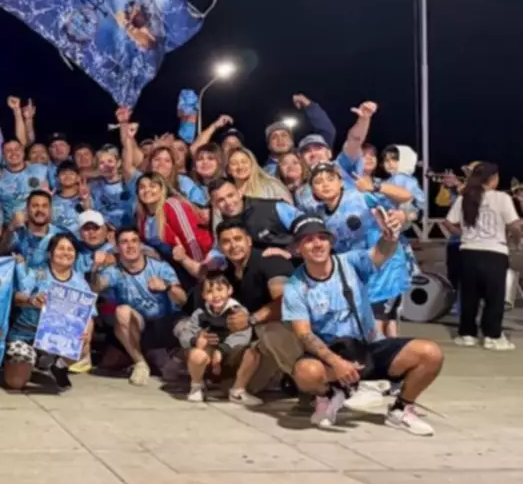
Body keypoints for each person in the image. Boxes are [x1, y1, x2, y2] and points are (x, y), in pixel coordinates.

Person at [283, 213, 442, 435]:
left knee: (430, 353)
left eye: (322, 238)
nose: (317, 244)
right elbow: (304, 334)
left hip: (368, 347)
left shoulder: (350, 262)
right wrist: (336, 363)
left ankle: (401, 408)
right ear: (297, 249)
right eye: (308, 240)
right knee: (305, 372)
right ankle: (328, 395)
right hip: (330, 354)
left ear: (331, 242)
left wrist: (389, 237)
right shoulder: (294, 286)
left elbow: (379, 253)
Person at [210, 219, 301, 399]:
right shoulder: (226, 276)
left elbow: (287, 302)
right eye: (226, 242)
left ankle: (314, 384)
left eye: (238, 239)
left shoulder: (270, 260)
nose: (233, 245)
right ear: (220, 247)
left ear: (249, 241)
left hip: (290, 332)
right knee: (227, 385)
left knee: (268, 330)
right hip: (256, 340)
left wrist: (251, 319)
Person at [91, 227, 187, 386]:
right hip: (137, 326)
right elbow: (95, 287)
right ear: (117, 247)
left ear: (141, 244)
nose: (130, 246)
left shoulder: (160, 267)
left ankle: (152, 358)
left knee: (168, 371)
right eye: (124, 242)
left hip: (163, 327)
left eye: (134, 241)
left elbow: (182, 300)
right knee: (121, 312)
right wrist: (95, 267)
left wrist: (167, 287)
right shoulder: (114, 271)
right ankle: (140, 362)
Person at [444, 162, 522, 350]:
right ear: (493, 179)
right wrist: (516, 239)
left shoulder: (465, 197)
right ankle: (492, 336)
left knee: (469, 295)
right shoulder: (502, 198)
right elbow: (514, 224)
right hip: (495, 252)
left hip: (468, 252)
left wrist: (463, 235)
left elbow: (448, 222)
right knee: (494, 297)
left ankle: (467, 334)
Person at [5, 233, 91, 391]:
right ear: (50, 253)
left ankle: (58, 365)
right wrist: (31, 300)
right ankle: (26, 360)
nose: (65, 252)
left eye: (70, 249)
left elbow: (89, 315)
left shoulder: (80, 282)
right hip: (25, 335)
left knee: (84, 338)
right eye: (60, 248)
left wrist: (86, 335)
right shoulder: (37, 273)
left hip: (57, 338)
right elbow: (15, 297)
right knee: (16, 383)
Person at [176, 271, 255, 403]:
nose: (216, 295)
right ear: (203, 295)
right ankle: (196, 387)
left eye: (220, 289)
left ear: (229, 290)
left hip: (231, 354)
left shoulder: (238, 312)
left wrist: (222, 350)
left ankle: (238, 390)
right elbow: (186, 333)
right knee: (196, 354)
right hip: (208, 355)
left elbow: (243, 335)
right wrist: (196, 340)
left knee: (253, 353)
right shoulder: (200, 313)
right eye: (209, 291)